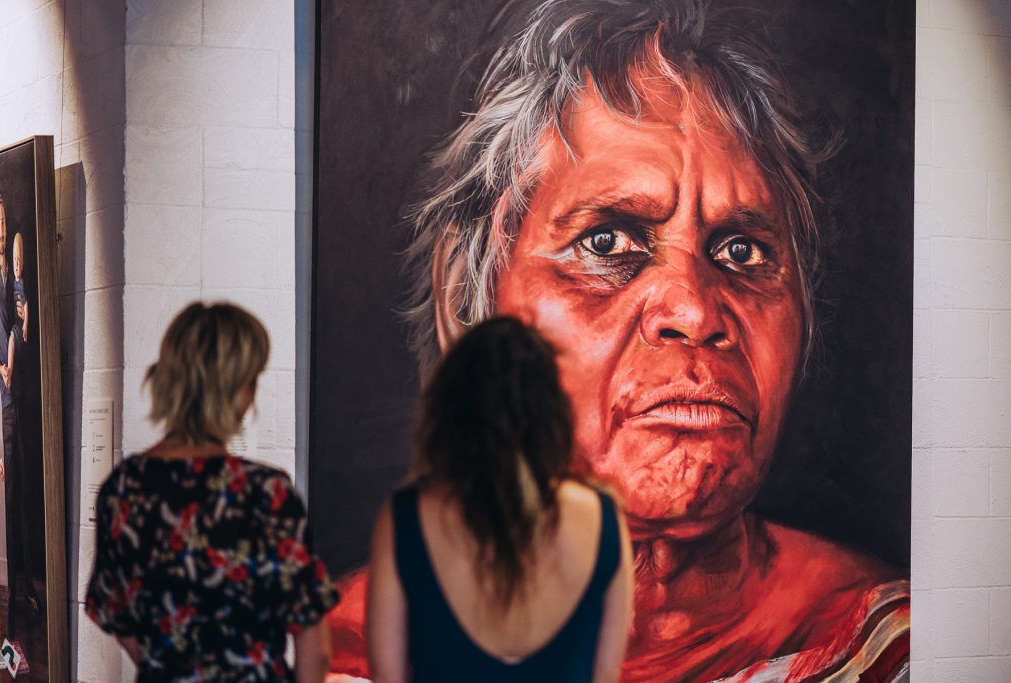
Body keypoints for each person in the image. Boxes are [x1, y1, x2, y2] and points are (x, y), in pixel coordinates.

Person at [330, 1, 911, 681]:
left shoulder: (890, 645)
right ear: (467, 299)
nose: (695, 309)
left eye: (742, 250)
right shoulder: (337, 657)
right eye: (607, 242)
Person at [366, 317, 633, 683]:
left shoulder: (406, 518)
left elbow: (387, 675)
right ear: (551, 409)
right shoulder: (602, 517)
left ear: (450, 409)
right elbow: (605, 675)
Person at [85, 302, 338, 681]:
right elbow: (315, 649)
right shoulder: (267, 494)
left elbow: (114, 614)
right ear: (236, 391)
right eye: (251, 380)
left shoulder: (124, 490)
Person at [0, 197, 38, 624]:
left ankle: (26, 585)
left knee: (26, 490)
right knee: (13, 486)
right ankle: (17, 590)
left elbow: (23, 330)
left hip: (21, 390)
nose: (1, 230)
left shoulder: (19, 282)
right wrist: (1, 368)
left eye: (5, 222)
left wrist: (26, 323)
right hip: (6, 395)